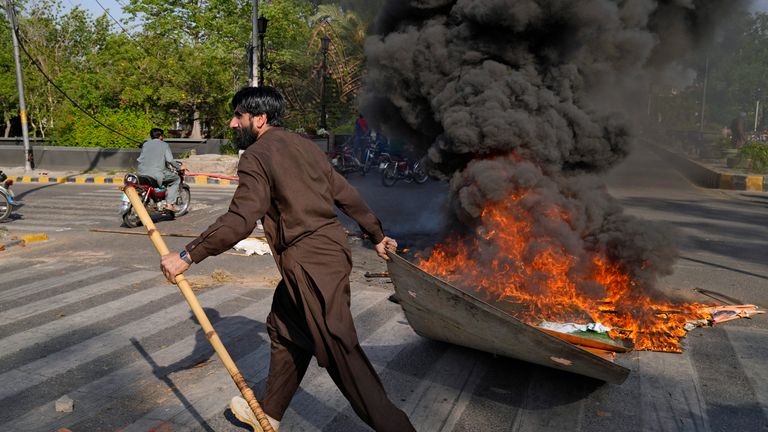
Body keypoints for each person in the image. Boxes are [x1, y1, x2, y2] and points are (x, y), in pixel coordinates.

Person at [160, 86, 415, 432]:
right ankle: (269, 414)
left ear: (260, 119)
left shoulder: (257, 156)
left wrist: (188, 255)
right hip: (328, 253)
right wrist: (375, 233)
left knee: (341, 351)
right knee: (285, 328)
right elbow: (347, 195)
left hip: (309, 263)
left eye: (239, 115)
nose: (233, 123)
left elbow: (240, 220)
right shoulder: (305, 146)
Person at [137, 128, 186, 212]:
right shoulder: (164, 145)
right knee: (176, 179)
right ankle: (169, 204)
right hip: (156, 173)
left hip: (140, 172)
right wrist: (179, 167)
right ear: (160, 136)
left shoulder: (145, 144)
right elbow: (170, 160)